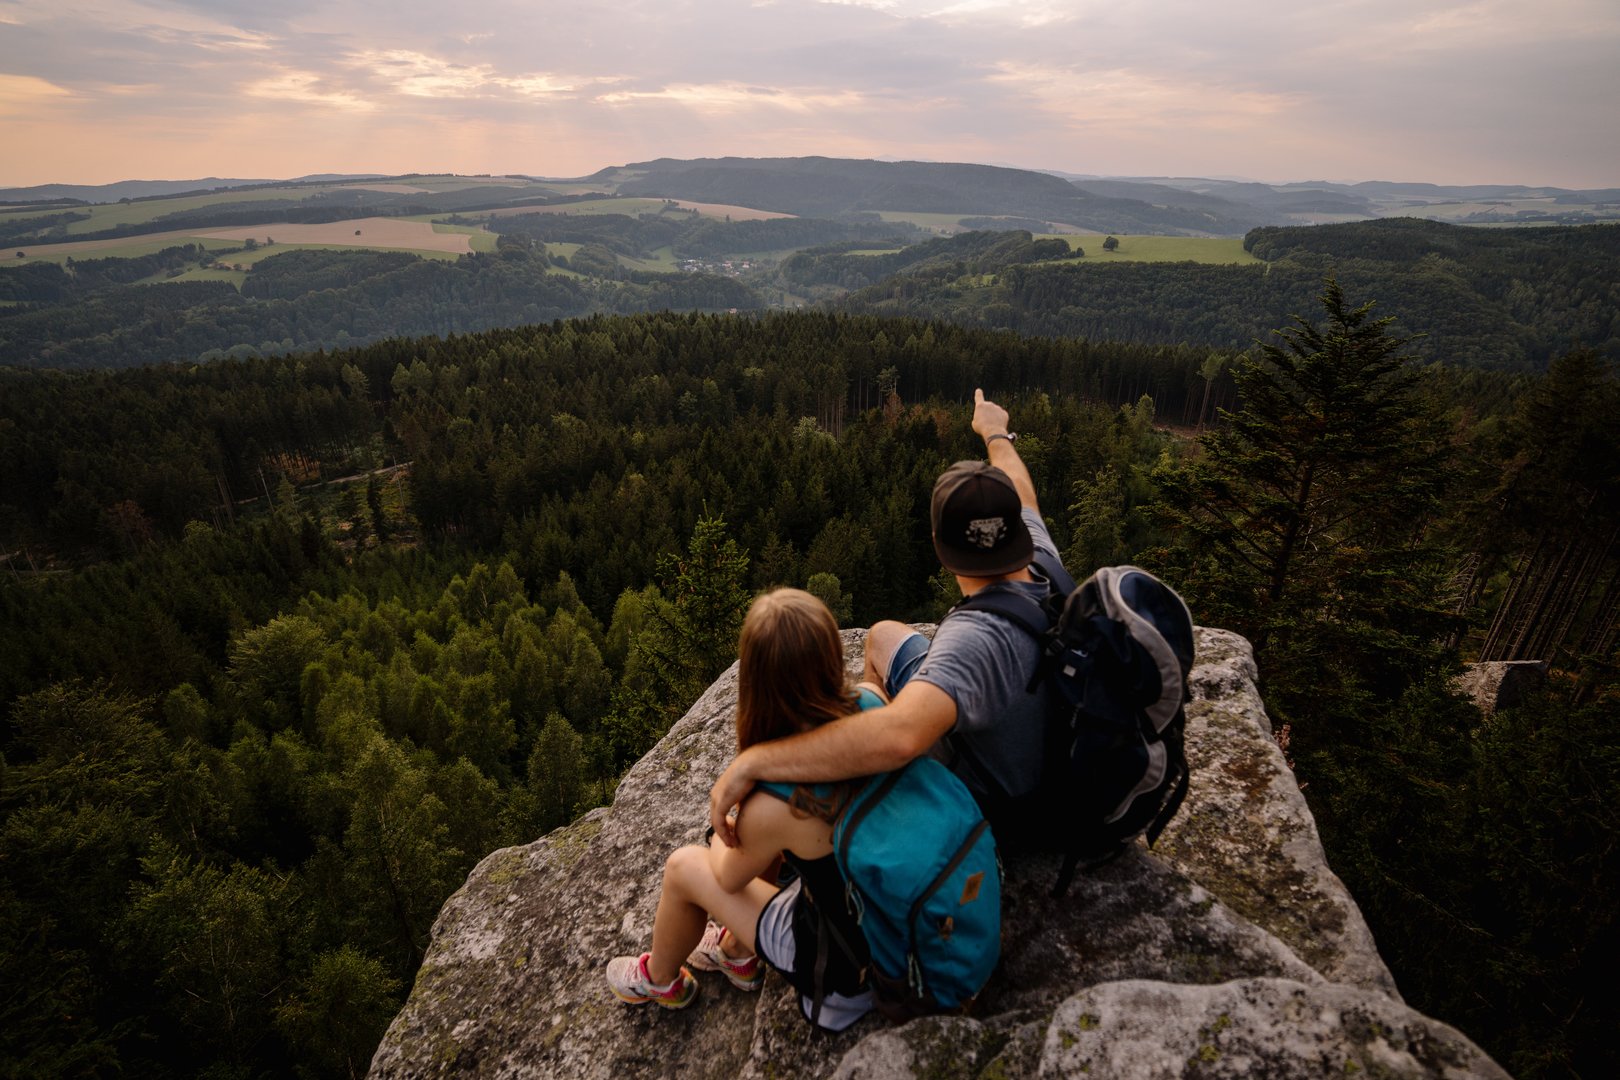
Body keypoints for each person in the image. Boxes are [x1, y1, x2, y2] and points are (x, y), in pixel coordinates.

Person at [709, 388, 1070, 847]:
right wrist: (995, 432)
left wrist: (753, 762)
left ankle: (860, 802)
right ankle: (863, 735)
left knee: (889, 735)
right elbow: (1023, 492)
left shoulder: (972, 641)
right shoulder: (1039, 558)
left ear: (940, 545)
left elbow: (900, 738)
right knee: (881, 637)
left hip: (1006, 803)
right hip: (1040, 743)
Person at [606, 588, 884, 1030]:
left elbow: (727, 876)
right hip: (888, 916)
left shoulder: (778, 801)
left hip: (846, 972)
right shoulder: (873, 707)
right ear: (833, 655)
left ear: (754, 681)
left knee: (684, 867)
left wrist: (722, 835)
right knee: (773, 850)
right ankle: (736, 951)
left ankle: (660, 979)